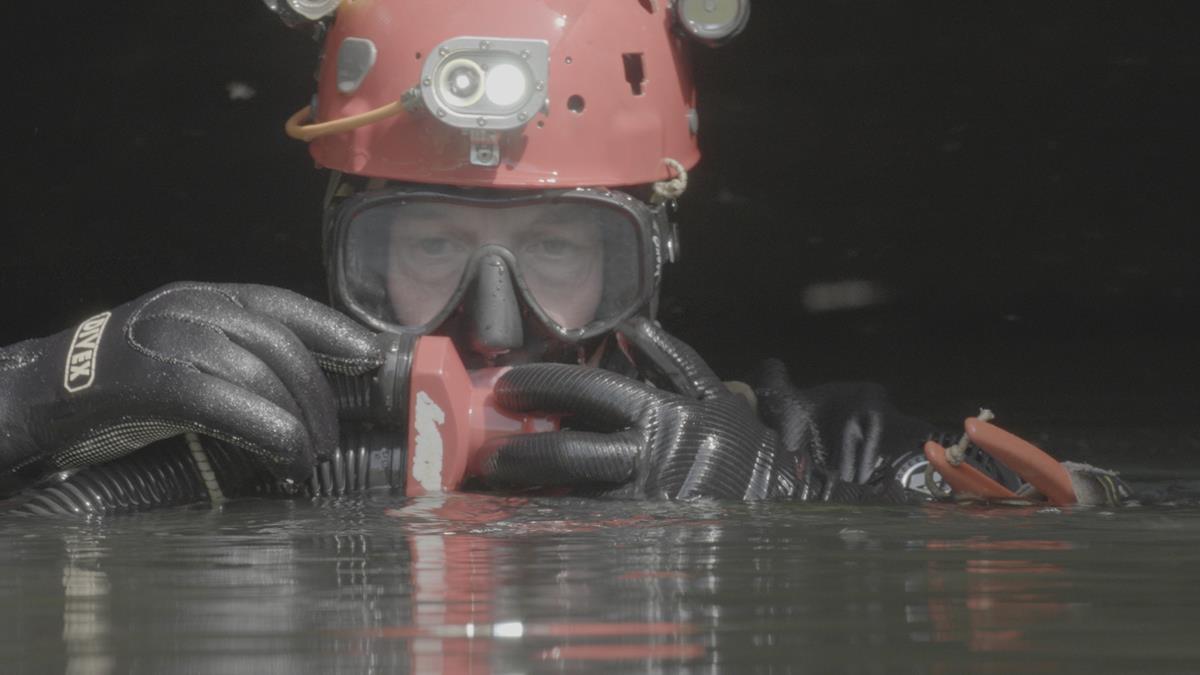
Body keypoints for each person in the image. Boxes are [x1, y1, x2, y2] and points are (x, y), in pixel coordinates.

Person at [0, 0, 1129, 514]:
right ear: (335, 245)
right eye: (428, 243)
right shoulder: (193, 435)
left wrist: (772, 504)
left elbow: (1109, 526)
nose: (492, 323)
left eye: (561, 249)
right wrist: (45, 390)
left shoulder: (813, 452)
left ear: (659, 248)